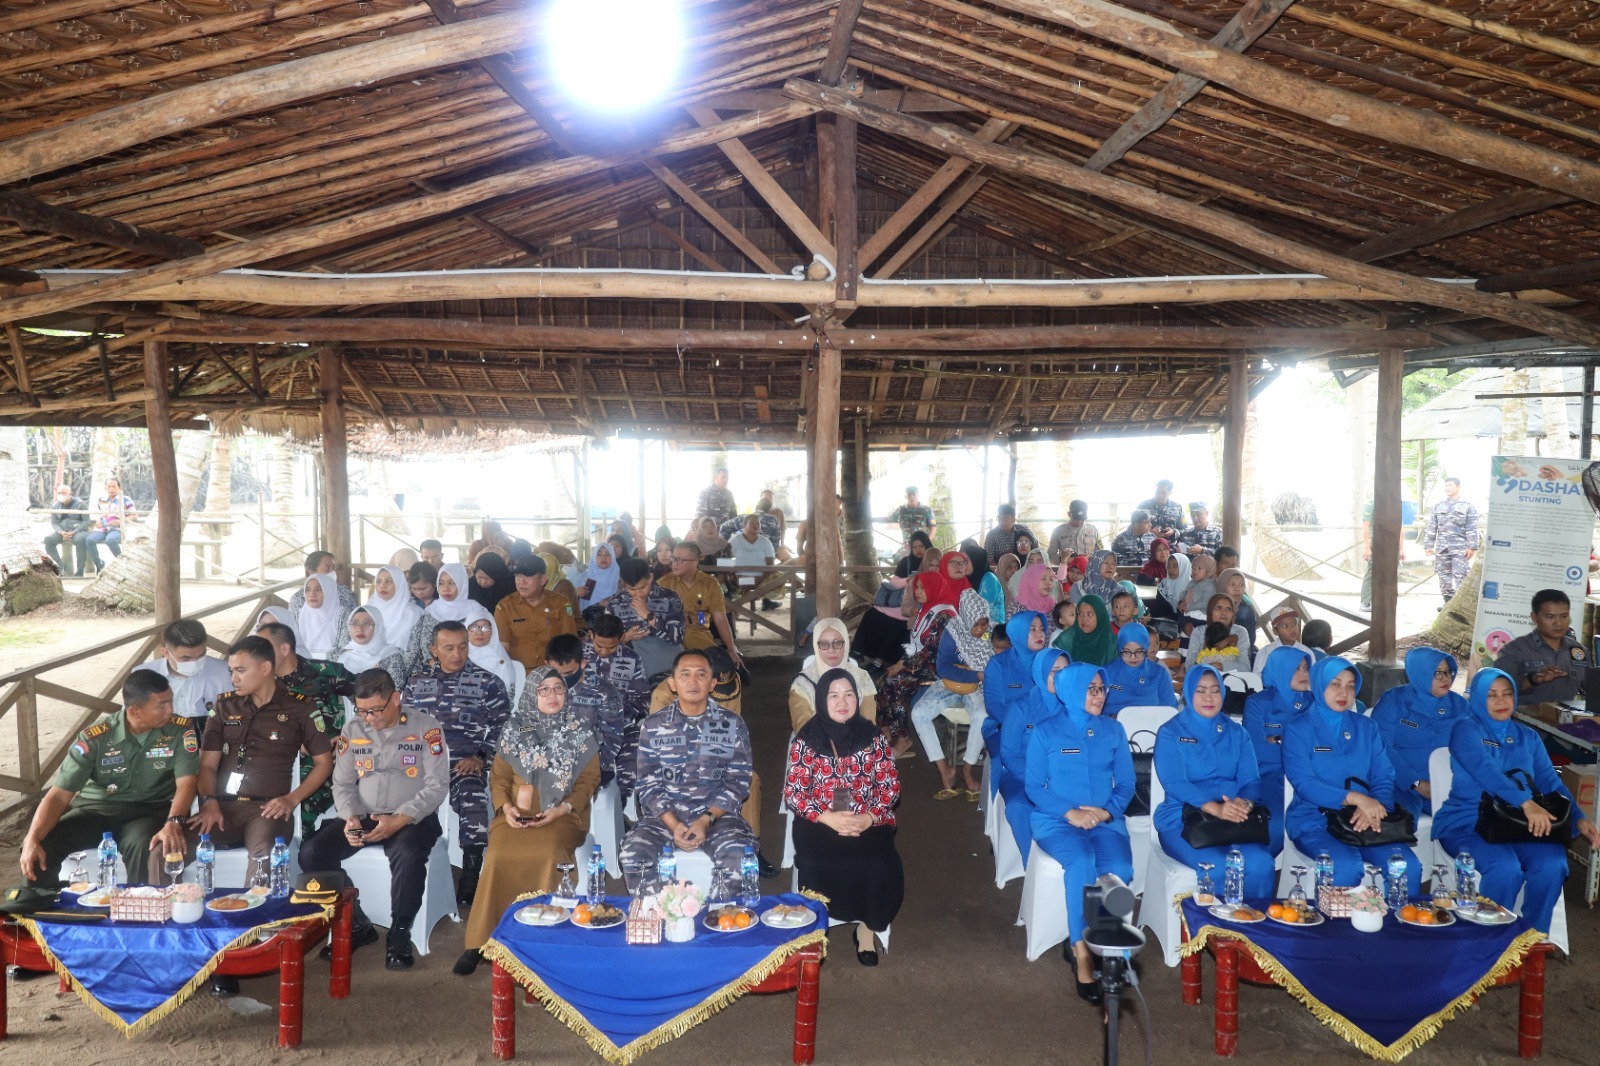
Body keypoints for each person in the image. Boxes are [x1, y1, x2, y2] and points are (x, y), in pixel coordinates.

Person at [179, 636, 333, 992]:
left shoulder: (300, 707)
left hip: (267, 808)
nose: (233, 677)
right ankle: (175, 941)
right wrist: (209, 801)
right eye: (231, 670)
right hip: (221, 808)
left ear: (265, 668)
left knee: (263, 854)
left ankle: (241, 948)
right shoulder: (224, 705)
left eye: (240, 670)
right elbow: (207, 765)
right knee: (169, 847)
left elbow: (324, 762)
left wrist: (291, 799)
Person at [456, 665, 602, 975]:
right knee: (497, 854)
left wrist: (562, 809)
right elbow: (498, 778)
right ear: (531, 695)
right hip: (515, 815)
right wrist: (506, 807)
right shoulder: (514, 728)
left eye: (558, 688)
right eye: (543, 689)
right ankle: (482, 940)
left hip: (563, 815)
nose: (552, 695)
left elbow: (589, 781)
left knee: (548, 853)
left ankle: (547, 937)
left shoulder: (580, 730)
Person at [298, 669, 448, 969]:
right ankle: (357, 923)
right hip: (364, 814)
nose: (369, 718)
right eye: (362, 710)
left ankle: (400, 932)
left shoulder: (426, 727)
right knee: (311, 852)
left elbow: (437, 785)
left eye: (376, 710)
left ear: (396, 698)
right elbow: (342, 784)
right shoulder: (353, 729)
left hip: (412, 817)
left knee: (408, 853)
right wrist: (351, 817)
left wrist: (400, 819)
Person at [1432, 669, 1600, 934]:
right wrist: (1526, 802)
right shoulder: (1465, 729)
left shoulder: (1528, 737)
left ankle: (1531, 938)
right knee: (1505, 868)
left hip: (1519, 825)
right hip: (1468, 823)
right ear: (1478, 698)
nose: (1501, 701)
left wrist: (1579, 818)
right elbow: (1487, 771)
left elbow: (1551, 783)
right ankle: (1490, 941)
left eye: (1507, 693)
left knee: (1552, 864)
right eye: (1492, 695)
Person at [17, 670, 197, 890]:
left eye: (170, 701)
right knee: (41, 845)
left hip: (148, 812)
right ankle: (40, 906)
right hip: (96, 811)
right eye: (162, 705)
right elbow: (59, 795)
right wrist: (32, 837)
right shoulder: (96, 737)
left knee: (145, 845)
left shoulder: (179, 731)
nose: (170, 710)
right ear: (135, 711)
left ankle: (138, 904)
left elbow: (187, 783)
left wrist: (173, 822)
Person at [1027, 663, 1134, 1001]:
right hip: (1057, 820)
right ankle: (1080, 949)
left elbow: (1127, 784)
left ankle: (1107, 944)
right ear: (1072, 690)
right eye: (1091, 689)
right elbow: (1034, 787)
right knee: (1083, 861)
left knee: (1120, 868)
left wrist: (1105, 811)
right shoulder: (1045, 731)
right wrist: (1070, 812)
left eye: (1102, 689)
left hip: (1103, 819)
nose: (1099, 696)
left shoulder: (1113, 730)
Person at [784, 668, 904, 966]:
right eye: (833, 695)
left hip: (868, 817)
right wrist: (828, 818)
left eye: (849, 694)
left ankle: (867, 929)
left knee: (879, 862)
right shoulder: (807, 739)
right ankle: (814, 930)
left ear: (857, 698)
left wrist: (868, 818)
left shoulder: (873, 736)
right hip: (819, 820)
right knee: (815, 862)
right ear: (821, 701)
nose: (842, 702)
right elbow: (794, 793)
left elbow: (890, 787)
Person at [619, 649, 758, 893]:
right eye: (685, 674)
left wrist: (706, 820)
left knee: (739, 856)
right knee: (634, 854)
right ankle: (655, 912)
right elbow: (648, 785)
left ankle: (722, 914)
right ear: (672, 684)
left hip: (718, 818)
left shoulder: (731, 724)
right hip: (663, 818)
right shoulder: (654, 725)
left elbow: (738, 782)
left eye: (701, 674)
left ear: (712, 683)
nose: (693, 681)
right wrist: (674, 825)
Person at [1282, 656, 1420, 893]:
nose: (1343, 692)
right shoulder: (1298, 729)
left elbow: (1384, 775)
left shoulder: (1366, 727)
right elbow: (1305, 783)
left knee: (1406, 866)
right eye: (1335, 684)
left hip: (1364, 819)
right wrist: (1356, 799)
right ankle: (1339, 919)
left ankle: (1397, 918)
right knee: (1345, 866)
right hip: (1316, 821)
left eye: (1350, 686)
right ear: (1319, 684)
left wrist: (1373, 807)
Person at [401, 619, 513, 908]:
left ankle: (471, 873)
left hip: (465, 762)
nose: (457, 654)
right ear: (434, 650)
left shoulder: (488, 683)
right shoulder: (416, 682)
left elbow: (504, 727)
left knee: (473, 797)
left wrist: (481, 757)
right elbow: (403, 727)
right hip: (423, 765)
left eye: (462, 647)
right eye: (449, 648)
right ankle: (413, 865)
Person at [1155, 665, 1273, 897]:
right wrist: (1214, 808)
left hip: (1233, 818)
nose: (1208, 698)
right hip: (1183, 819)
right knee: (1216, 867)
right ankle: (1217, 922)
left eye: (1215, 690)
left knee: (1261, 863)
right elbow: (1175, 783)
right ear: (1188, 693)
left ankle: (1252, 920)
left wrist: (1245, 803)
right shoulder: (1170, 732)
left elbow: (1251, 780)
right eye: (1200, 691)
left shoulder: (1237, 732)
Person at [255, 620, 355, 837]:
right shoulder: (260, 684)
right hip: (279, 762)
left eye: (264, 648)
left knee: (300, 810)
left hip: (327, 761)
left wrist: (350, 738)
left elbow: (372, 703)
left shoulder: (326, 672)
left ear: (284, 649)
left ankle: (306, 853)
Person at [912, 588, 992, 800]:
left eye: (983, 623)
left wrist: (976, 676)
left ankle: (967, 770)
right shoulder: (953, 631)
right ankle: (944, 769)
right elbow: (943, 669)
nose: (980, 629)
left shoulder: (992, 633)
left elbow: (995, 666)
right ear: (966, 618)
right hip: (951, 684)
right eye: (975, 624)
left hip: (978, 687)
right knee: (919, 713)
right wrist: (976, 674)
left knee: (982, 716)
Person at [1371, 647, 1467, 819]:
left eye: (1448, 671)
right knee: (1399, 821)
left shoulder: (1460, 706)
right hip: (1398, 784)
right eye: (1437, 672)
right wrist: (1414, 782)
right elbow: (1380, 747)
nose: (1445, 678)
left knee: (1468, 821)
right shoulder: (1394, 700)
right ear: (1419, 672)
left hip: (1447, 785)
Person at [876, 570, 957, 756]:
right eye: (917, 588)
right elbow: (915, 645)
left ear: (934, 588)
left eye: (923, 588)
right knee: (883, 680)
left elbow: (930, 652)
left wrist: (902, 665)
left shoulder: (945, 615)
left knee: (897, 684)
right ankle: (885, 730)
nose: (917, 592)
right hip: (920, 662)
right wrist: (900, 662)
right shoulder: (926, 609)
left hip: (937, 666)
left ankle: (903, 739)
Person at [1242, 646, 1314, 855]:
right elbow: (1257, 750)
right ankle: (1260, 867)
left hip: (1310, 777)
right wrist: (1299, 747)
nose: (1304, 673)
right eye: (1296, 668)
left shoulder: (1314, 702)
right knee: (1273, 825)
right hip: (1270, 776)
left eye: (1306, 668)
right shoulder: (1258, 703)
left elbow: (1323, 749)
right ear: (1280, 669)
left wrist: (1278, 740)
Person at [999, 647, 1067, 856]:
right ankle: (1031, 865)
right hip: (1022, 775)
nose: (1061, 677)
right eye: (1054, 671)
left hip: (1063, 776)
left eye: (1065, 671)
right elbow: (1009, 755)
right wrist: (1039, 778)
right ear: (1040, 672)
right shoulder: (1021, 707)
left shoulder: (1075, 707)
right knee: (1019, 807)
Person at [547, 634, 627, 788]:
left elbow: (612, 738)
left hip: (589, 767)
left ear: (582, 664)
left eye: (568, 673)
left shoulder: (603, 692)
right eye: (556, 673)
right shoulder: (539, 691)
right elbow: (526, 727)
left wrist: (582, 766)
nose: (562, 679)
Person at [1493, 589, 1587, 705]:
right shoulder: (1514, 651)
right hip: (1523, 715)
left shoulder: (1579, 651)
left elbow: (1592, 687)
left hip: (1566, 716)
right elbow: (1496, 690)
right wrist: (1532, 679)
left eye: (1564, 616)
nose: (1558, 623)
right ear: (1534, 617)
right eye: (1550, 617)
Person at [139, 618, 233, 730]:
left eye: (201, 655)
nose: (195, 663)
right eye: (186, 658)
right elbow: (135, 718)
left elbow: (233, 717)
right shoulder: (142, 675)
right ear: (166, 653)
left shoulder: (225, 672)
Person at [660, 541, 743, 665]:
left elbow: (720, 619)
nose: (674, 563)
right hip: (670, 639)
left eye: (680, 560)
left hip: (700, 636)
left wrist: (731, 649)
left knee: (723, 665)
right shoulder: (664, 584)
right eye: (673, 558)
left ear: (695, 561)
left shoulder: (710, 584)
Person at [790, 618, 878, 731]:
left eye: (837, 643)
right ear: (816, 646)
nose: (831, 650)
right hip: (816, 739)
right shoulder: (802, 684)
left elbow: (869, 723)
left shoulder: (861, 678)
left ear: (846, 644)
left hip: (856, 738)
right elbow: (803, 727)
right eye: (824, 644)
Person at [493, 555, 577, 671]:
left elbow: (570, 642)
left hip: (553, 671)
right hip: (519, 673)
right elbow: (503, 648)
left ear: (542, 580)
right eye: (518, 576)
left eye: (527, 576)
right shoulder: (505, 607)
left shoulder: (560, 603)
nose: (521, 582)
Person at [608, 556, 686, 683]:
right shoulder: (615, 604)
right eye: (632, 589)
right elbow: (605, 643)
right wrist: (626, 637)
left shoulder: (669, 598)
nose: (638, 593)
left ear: (650, 577)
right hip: (632, 676)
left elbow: (678, 637)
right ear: (624, 583)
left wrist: (649, 616)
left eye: (642, 587)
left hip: (668, 670)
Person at [983, 611, 1048, 754]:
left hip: (1042, 728)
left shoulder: (1049, 662)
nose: (1040, 634)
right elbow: (994, 705)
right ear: (1018, 632)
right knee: (1008, 758)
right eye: (1032, 629)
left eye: (1042, 629)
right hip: (1003, 726)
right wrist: (1020, 725)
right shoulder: (998, 664)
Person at [407, 561, 473, 673]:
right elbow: (422, 646)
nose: (446, 588)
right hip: (433, 669)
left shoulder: (475, 612)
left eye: (452, 583)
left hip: (466, 668)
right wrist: (436, 665)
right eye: (441, 583)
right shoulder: (430, 611)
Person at [1103, 623, 1177, 718]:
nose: (1133, 657)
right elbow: (1095, 710)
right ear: (1120, 649)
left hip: (1151, 725)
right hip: (1113, 725)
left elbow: (1170, 710)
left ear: (1146, 648)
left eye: (1139, 651)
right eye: (1126, 652)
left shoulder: (1159, 674)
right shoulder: (1107, 673)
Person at [1359, 496, 1417, 613]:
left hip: (1392, 543)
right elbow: (1365, 526)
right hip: (1377, 541)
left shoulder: (1394, 505)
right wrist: (1367, 547)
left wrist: (1401, 549)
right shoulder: (1371, 504)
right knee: (1372, 572)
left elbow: (1399, 528)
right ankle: (1366, 601)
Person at [338, 606, 409, 687]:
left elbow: (395, 689)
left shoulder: (391, 655)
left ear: (378, 627)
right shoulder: (343, 656)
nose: (360, 629)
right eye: (355, 623)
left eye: (367, 623)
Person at [464, 602, 520, 701]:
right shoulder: (458, 656)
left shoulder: (502, 661)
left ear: (493, 631)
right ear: (466, 630)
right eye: (474, 627)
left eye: (485, 627)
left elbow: (509, 698)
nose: (479, 632)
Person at [367, 565, 423, 658]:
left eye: (388, 581)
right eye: (378, 581)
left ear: (399, 583)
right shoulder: (367, 610)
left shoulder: (414, 614)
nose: (382, 585)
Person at [84, 476, 136, 572]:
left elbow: (134, 515)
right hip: (102, 528)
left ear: (119, 488)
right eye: (109, 486)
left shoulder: (125, 499)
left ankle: (122, 564)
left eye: (114, 486)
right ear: (105, 488)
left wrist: (121, 521)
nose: (111, 489)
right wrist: (98, 521)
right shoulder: (101, 499)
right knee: (89, 540)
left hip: (117, 529)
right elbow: (100, 514)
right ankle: (99, 564)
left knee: (110, 540)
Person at [294, 572, 351, 660]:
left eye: (318, 589)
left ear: (329, 591)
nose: (312, 594)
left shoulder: (343, 615)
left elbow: (346, 649)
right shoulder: (298, 616)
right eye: (307, 590)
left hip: (335, 666)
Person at [287, 551, 359, 616]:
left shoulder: (345, 593)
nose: (333, 572)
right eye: (327, 568)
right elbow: (294, 624)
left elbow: (354, 620)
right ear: (311, 572)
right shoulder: (298, 599)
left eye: (333, 568)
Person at [1054, 594, 1117, 667]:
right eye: (1080, 614)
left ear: (1100, 616)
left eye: (1089, 614)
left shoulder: (1112, 644)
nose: (1084, 619)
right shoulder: (1067, 640)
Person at [43, 483, 89, 576]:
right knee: (48, 540)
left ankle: (80, 570)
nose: (61, 495)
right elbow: (54, 522)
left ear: (70, 494)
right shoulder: (55, 506)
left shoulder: (80, 504)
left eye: (63, 493)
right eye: (59, 493)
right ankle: (60, 567)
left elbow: (86, 521)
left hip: (78, 530)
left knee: (80, 540)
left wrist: (75, 531)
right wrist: (60, 532)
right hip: (63, 530)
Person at [1251, 604, 1310, 674]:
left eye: (1294, 624)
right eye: (1285, 626)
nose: (1291, 628)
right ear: (1275, 631)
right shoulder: (1265, 653)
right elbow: (1256, 678)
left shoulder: (1306, 652)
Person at [961, 542, 1006, 624]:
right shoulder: (967, 579)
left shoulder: (989, 578)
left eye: (966, 561)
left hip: (993, 626)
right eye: (961, 561)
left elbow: (982, 610)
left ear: (975, 560)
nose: (963, 565)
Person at [1048, 500, 1101, 564]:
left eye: (1082, 519)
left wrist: (1090, 557)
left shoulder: (1093, 530)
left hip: (1089, 568)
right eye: (1077, 519)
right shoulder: (1058, 531)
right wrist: (1065, 559)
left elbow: (1101, 554)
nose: (1080, 522)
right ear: (1069, 514)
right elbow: (1050, 556)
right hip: (1068, 569)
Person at [577, 542, 622, 616]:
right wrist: (576, 593)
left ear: (613, 557)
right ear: (594, 557)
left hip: (614, 618)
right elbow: (569, 601)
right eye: (599, 554)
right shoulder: (584, 576)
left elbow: (627, 597)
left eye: (608, 554)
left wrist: (612, 600)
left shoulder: (620, 577)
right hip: (588, 618)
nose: (603, 557)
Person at [1149, 552, 1191, 622]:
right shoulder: (1163, 585)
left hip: (1186, 625)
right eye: (1168, 566)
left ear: (1184, 567)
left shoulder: (1192, 587)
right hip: (1162, 624)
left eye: (1175, 566)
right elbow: (1156, 609)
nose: (1171, 569)